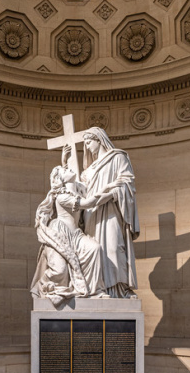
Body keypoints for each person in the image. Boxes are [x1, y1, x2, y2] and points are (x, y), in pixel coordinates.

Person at [63, 126, 140, 298]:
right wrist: (65, 163)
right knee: (94, 251)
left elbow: (127, 182)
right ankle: (97, 289)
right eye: (85, 143)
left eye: (89, 142)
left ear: (99, 139)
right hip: (91, 214)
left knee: (113, 248)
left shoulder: (118, 157)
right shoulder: (88, 170)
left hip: (111, 210)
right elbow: (74, 188)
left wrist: (109, 194)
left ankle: (119, 290)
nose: (87, 146)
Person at [30, 166, 106, 307]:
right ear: (60, 179)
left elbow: (72, 172)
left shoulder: (77, 190)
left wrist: (65, 160)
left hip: (76, 234)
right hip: (60, 234)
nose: (68, 169)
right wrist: (109, 192)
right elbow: (88, 203)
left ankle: (93, 290)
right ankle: (41, 286)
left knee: (95, 248)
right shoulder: (62, 196)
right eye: (64, 170)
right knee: (60, 271)